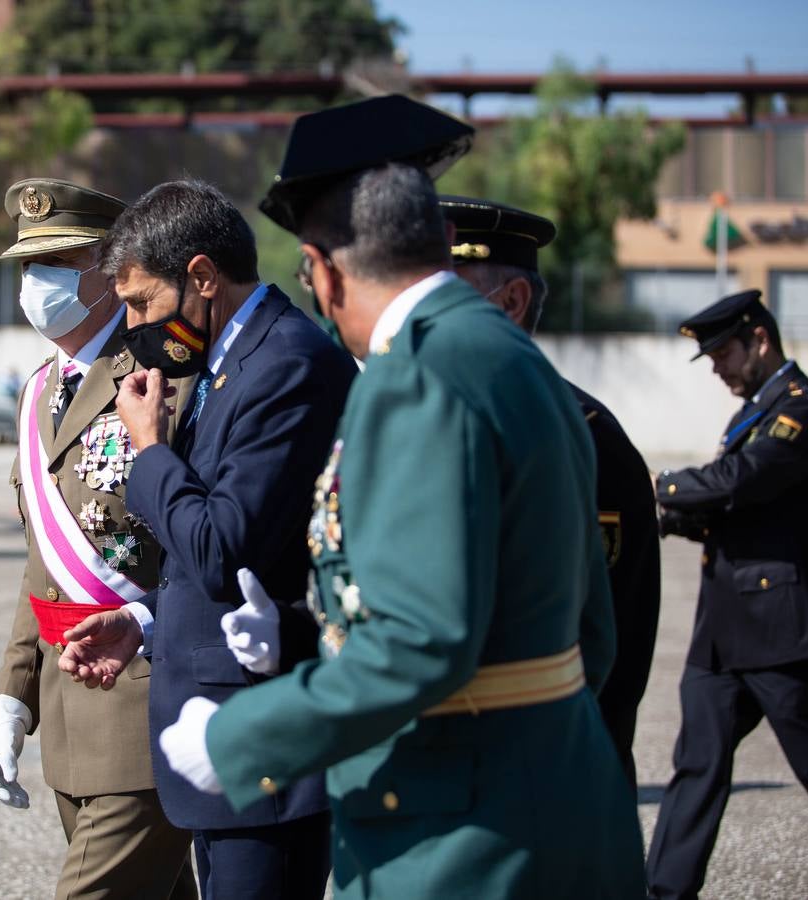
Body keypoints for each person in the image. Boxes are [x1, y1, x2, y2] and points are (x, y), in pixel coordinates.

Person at [154, 96, 645, 899]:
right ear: (439, 242)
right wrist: (303, 641)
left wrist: (243, 736)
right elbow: (589, 629)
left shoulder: (413, 375)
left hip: (456, 838)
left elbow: (420, 643)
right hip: (553, 801)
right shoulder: (514, 360)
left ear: (322, 270)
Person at [59, 179, 357, 899]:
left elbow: (227, 554)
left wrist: (150, 449)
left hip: (263, 755)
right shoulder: (229, 364)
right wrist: (144, 626)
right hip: (218, 743)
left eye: (141, 304)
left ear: (201, 276)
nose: (133, 327)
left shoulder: (284, 364)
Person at [0, 178, 196, 900]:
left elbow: (205, 545)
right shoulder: (38, 390)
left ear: (110, 268)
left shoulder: (165, 376)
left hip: (143, 711)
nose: (37, 284)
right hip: (70, 719)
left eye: (60, 262)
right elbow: (46, 561)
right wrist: (13, 699)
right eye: (28, 267)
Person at [441, 194, 661, 791]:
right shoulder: (443, 422)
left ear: (510, 303)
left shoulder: (583, 436)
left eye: (443, 295)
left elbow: (594, 646)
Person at [647, 289, 808, 900]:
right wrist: (668, 520)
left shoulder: (806, 411)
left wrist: (661, 486)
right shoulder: (751, 414)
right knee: (696, 767)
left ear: (759, 339)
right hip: (722, 633)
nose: (718, 368)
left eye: (723, 353)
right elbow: (731, 513)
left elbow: (742, 481)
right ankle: (666, 892)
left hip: (780, 632)